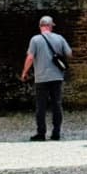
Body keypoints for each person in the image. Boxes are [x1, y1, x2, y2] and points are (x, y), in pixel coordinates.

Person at [21, 14, 72, 142]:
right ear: (50, 26)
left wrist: (25, 72)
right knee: (57, 104)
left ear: (40, 26)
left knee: (41, 106)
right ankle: (56, 133)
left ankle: (41, 133)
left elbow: (30, 57)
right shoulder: (59, 38)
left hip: (41, 78)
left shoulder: (35, 40)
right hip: (57, 77)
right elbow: (69, 53)